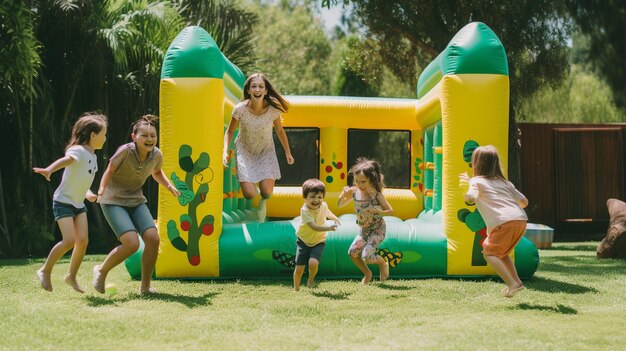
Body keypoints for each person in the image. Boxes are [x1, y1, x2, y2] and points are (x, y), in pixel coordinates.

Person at [94, 115, 180, 294]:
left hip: (136, 200)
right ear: (134, 137)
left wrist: (169, 186)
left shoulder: (156, 154)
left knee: (153, 239)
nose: (150, 139)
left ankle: (145, 287)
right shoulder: (125, 151)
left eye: (153, 136)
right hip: (112, 200)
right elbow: (109, 170)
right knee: (131, 243)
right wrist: (101, 190)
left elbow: (156, 172)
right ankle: (101, 271)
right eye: (145, 135)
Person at [33, 113, 108, 292]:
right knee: (69, 240)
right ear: (93, 135)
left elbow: (83, 179)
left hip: (78, 203)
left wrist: (88, 193)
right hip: (63, 201)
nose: (105, 138)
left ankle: (71, 276)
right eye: (104, 134)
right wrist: (49, 169)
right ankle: (45, 270)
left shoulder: (94, 157)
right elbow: (67, 161)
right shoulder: (78, 151)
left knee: (82, 240)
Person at [223, 73, 294, 221]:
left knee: (267, 192)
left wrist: (288, 152)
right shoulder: (240, 109)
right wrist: (225, 151)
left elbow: (280, 131)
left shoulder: (273, 110)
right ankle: (249, 180)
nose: (257, 89)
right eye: (253, 86)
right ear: (248, 90)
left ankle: (263, 202)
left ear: (266, 91)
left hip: (265, 151)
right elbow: (229, 131)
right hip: (245, 150)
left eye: (261, 86)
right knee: (249, 194)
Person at [459, 145, 528, 298]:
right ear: (496, 163)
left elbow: (471, 198)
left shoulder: (476, 181)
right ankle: (516, 283)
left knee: (489, 253)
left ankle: (512, 283)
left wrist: (465, 188)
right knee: (502, 253)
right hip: (521, 220)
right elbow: (524, 202)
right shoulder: (505, 182)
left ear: (476, 164)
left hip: (503, 222)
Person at [338, 158, 393, 284]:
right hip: (364, 231)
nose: (359, 185)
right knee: (352, 253)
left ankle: (383, 263)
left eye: (363, 182)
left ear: (371, 180)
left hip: (377, 229)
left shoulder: (376, 195)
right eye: (357, 181)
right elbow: (340, 205)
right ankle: (367, 274)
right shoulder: (355, 192)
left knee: (367, 256)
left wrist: (379, 211)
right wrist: (342, 195)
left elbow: (390, 210)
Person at [293, 179, 341, 291]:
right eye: (313, 197)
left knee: (313, 262)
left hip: (319, 240)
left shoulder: (323, 205)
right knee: (299, 267)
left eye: (319, 197)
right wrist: (328, 228)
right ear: (305, 198)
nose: (316, 200)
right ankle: (296, 288)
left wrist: (335, 218)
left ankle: (310, 280)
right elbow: (313, 227)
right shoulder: (304, 210)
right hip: (303, 241)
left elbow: (327, 212)